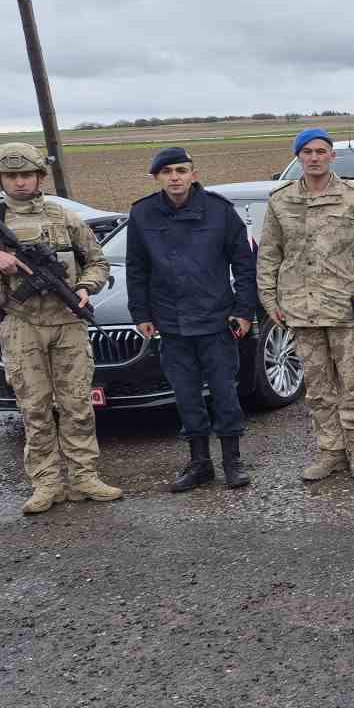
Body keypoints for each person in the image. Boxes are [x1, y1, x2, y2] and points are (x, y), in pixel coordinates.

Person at [0, 142, 122, 514]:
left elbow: (97, 262)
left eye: (26, 175)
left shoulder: (64, 217)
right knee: (34, 408)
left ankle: (84, 477)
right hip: (22, 324)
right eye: (11, 176)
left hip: (67, 323)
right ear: (0, 179)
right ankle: (46, 483)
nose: (20, 182)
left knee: (77, 404)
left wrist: (85, 287)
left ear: (39, 177)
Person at [256, 128, 354, 482]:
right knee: (317, 389)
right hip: (302, 309)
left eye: (320, 151)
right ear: (298, 157)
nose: (314, 158)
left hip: (348, 307)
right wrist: (269, 300)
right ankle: (330, 450)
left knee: (353, 384)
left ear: (332, 156)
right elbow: (269, 255)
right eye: (307, 152)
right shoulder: (281, 201)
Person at [125, 147, 258, 492]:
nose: (175, 177)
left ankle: (232, 461)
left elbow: (245, 265)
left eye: (181, 170)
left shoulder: (219, 211)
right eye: (167, 172)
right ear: (157, 177)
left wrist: (243, 311)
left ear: (193, 175)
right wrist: (141, 313)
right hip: (171, 323)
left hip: (216, 321)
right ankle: (200, 463)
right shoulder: (142, 214)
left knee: (225, 393)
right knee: (186, 396)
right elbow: (137, 269)